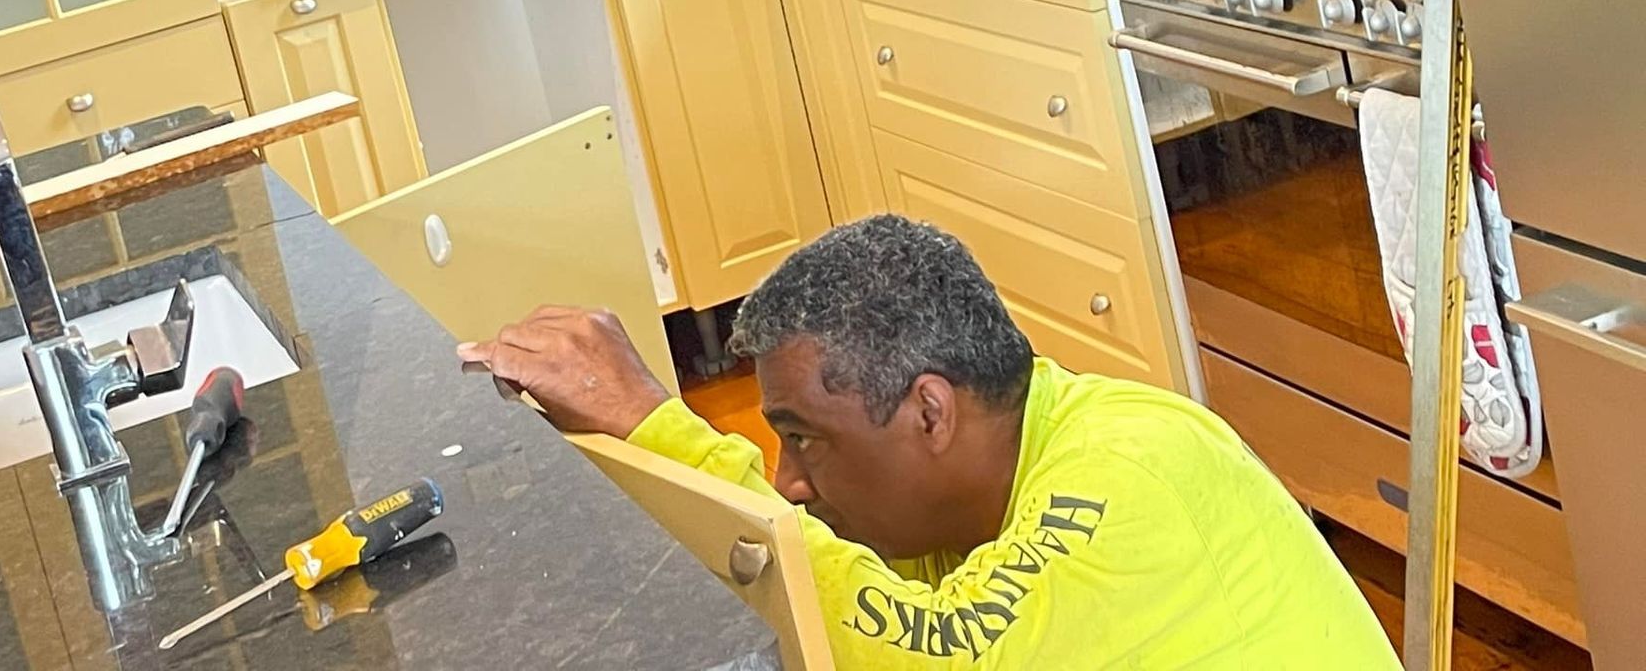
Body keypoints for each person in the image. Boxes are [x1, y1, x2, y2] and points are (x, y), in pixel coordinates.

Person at [459, 214, 1401, 669]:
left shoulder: (1130, 466)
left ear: (930, 413)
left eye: (805, 440)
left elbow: (936, 655)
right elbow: (842, 590)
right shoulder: (990, 478)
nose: (789, 481)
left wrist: (655, 430)